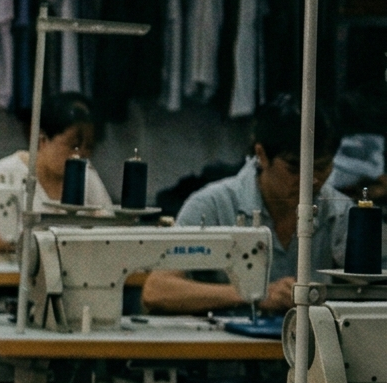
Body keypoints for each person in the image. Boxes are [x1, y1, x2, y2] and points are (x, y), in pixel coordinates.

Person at [143, 97, 349, 316]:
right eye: (294, 168)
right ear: (261, 155)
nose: (312, 180)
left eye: (322, 167)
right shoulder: (212, 205)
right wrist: (254, 294)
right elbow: (157, 290)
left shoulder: (341, 213)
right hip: (228, 347)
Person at [0, 93, 110, 251]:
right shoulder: (2, 176)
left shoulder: (87, 175)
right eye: (72, 145)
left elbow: (108, 230)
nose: (79, 155)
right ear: (42, 140)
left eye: (89, 147)